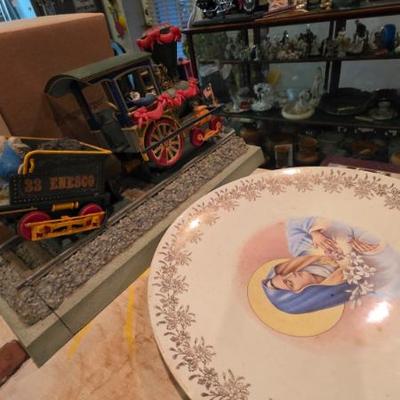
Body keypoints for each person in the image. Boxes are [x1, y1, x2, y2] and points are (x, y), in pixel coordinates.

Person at [262, 217, 400, 314]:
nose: (291, 274)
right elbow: (393, 276)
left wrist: (314, 231)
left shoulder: (300, 248)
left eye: (284, 275)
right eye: (289, 283)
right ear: (305, 297)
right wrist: (376, 251)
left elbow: (294, 221)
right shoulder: (361, 285)